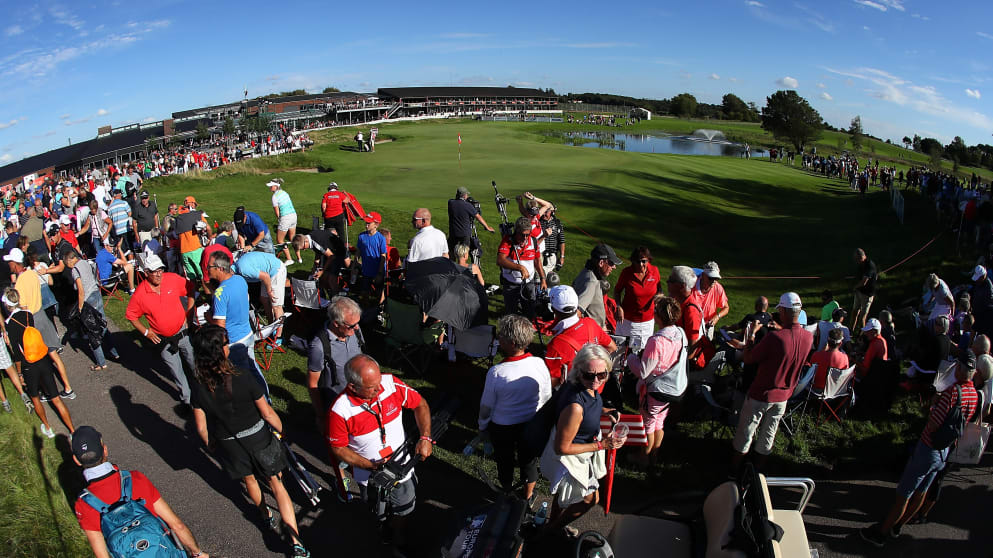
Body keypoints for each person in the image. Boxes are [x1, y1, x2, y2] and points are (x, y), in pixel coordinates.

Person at [190, 326, 309, 558]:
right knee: (277, 484)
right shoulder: (243, 377)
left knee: (250, 480)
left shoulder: (199, 386)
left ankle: (265, 514)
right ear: (218, 351)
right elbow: (267, 413)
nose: (228, 346)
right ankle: (295, 540)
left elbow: (201, 425)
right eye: (225, 343)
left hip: (230, 443)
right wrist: (282, 432)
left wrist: (210, 443)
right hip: (258, 437)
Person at [860, 350, 979, 547]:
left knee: (904, 492)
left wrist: (933, 406)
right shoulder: (973, 394)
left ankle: (881, 534)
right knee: (922, 491)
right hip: (944, 451)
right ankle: (898, 526)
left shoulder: (951, 393)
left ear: (959, 369)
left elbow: (934, 423)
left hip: (929, 447)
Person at [326, 354, 433, 549]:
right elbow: (338, 448)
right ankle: (384, 527)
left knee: (405, 505)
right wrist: (371, 466)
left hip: (402, 468)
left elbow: (420, 404)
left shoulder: (390, 383)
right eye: (372, 387)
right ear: (352, 387)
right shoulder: (340, 410)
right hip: (369, 476)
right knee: (378, 511)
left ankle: (398, 534)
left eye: (378, 381)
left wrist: (425, 437)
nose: (379, 389)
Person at [72, 426, 210, 558]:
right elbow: (177, 525)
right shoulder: (134, 478)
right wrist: (197, 553)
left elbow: (102, 555)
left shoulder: (84, 504)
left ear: (76, 460)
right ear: (105, 450)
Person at [540, 344, 625, 537]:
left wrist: (605, 412)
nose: (596, 381)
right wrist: (602, 445)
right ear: (579, 371)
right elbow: (562, 447)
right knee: (590, 499)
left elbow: (590, 406)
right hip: (571, 457)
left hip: (578, 449)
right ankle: (552, 531)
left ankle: (552, 525)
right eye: (589, 375)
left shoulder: (581, 386)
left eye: (602, 375)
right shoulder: (575, 407)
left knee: (564, 497)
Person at [731, 292, 813, 472]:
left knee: (745, 434)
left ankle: (735, 472)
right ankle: (758, 473)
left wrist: (752, 335)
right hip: (784, 396)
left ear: (783, 311)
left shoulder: (774, 338)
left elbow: (749, 358)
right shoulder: (808, 337)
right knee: (768, 436)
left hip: (761, 393)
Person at [479, 315, 552, 500]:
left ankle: (507, 492)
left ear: (511, 343)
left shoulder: (497, 372)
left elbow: (487, 406)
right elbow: (546, 395)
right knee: (528, 461)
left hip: (503, 426)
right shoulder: (539, 363)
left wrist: (482, 425)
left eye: (501, 336)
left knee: (505, 460)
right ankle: (527, 496)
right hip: (530, 423)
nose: (498, 339)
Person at [125, 254, 195, 410]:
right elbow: (131, 315)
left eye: (160, 269)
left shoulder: (171, 279)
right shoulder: (140, 294)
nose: (158, 274)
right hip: (164, 342)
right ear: (145, 272)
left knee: (194, 364)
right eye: (154, 271)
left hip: (183, 333)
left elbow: (191, 289)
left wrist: (189, 313)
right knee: (177, 372)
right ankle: (188, 401)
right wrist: (145, 333)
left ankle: (206, 393)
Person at [4, 288, 75, 438]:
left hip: (29, 364)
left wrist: (19, 373)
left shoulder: (10, 323)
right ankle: (72, 431)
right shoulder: (28, 314)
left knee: (36, 397)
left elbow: (17, 353)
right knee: (56, 398)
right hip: (43, 358)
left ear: (7, 305)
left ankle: (48, 428)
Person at [626, 295, 686, 469]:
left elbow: (643, 371)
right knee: (660, 421)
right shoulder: (680, 333)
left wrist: (631, 358)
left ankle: (643, 456)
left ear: (659, 316)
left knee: (649, 423)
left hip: (656, 388)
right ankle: (654, 454)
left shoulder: (657, 341)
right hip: (672, 386)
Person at [207, 251, 267, 394]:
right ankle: (266, 398)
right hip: (247, 334)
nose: (207, 269)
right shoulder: (240, 280)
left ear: (220, 269)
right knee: (254, 371)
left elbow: (219, 328)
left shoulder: (220, 293)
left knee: (240, 379)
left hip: (233, 342)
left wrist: (208, 317)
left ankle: (254, 406)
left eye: (209, 266)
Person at [543, 285, 616, 388]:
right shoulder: (590, 323)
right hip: (596, 392)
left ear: (553, 310)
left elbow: (550, 383)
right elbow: (612, 347)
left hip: (571, 398)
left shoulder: (556, 345)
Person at [64, 250, 121, 371]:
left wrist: (80, 308)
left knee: (92, 331)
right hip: (96, 293)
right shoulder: (85, 262)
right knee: (103, 325)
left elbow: (80, 289)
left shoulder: (75, 270)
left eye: (67, 264)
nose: (68, 267)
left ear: (70, 260)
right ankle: (115, 353)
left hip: (88, 300)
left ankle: (101, 362)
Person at [613, 246, 662, 351]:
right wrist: (618, 306)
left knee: (642, 352)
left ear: (649, 260)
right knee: (622, 350)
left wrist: (659, 296)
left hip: (647, 322)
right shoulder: (627, 273)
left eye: (644, 261)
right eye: (637, 261)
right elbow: (617, 291)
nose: (640, 264)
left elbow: (659, 289)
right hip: (627, 321)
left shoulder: (655, 271)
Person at [233, 250, 288, 342]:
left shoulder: (243, 269)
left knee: (276, 305)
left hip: (276, 270)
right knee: (264, 299)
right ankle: (271, 327)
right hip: (266, 272)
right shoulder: (236, 268)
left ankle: (278, 337)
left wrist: (269, 291)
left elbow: (265, 276)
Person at [497, 216, 545, 318]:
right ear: (516, 232)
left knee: (530, 312)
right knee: (511, 314)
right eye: (522, 235)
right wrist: (520, 267)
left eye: (527, 235)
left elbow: (537, 261)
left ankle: (527, 332)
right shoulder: (508, 241)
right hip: (511, 284)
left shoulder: (533, 242)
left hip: (528, 283)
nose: (525, 238)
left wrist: (543, 278)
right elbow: (500, 260)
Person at [667, 265, 710, 370]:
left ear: (682, 286)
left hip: (688, 365)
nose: (667, 282)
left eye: (671, 280)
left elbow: (693, 346)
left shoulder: (691, 310)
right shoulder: (678, 301)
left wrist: (678, 368)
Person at [573, 244, 623, 329]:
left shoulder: (587, 273)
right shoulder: (591, 281)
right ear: (601, 263)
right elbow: (577, 312)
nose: (614, 267)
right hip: (592, 335)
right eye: (611, 263)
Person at [291, 228, 349, 295]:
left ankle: (338, 296)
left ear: (306, 241)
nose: (304, 250)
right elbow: (318, 250)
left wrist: (323, 271)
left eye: (303, 248)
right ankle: (329, 290)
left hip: (338, 251)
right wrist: (316, 262)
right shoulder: (309, 238)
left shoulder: (316, 242)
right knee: (324, 276)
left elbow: (331, 256)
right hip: (330, 250)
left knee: (331, 279)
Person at [447, 186, 494, 255]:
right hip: (465, 234)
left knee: (451, 253)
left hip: (453, 233)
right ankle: (462, 265)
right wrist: (487, 227)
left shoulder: (451, 203)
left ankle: (452, 265)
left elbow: (454, 201)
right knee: (464, 254)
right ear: (464, 195)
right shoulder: (468, 205)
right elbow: (478, 217)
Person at [694, 261, 729, 339]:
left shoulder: (718, 288)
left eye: (716, 278)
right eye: (711, 278)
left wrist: (717, 317)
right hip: (691, 324)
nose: (713, 281)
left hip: (708, 325)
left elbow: (726, 308)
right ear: (703, 275)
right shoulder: (692, 286)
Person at [355, 211, 387, 297]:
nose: (366, 225)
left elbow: (383, 256)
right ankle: (366, 306)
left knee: (379, 292)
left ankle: (381, 307)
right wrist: (355, 263)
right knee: (365, 292)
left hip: (378, 270)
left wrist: (380, 273)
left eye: (369, 223)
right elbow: (358, 251)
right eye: (366, 223)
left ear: (376, 225)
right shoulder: (361, 236)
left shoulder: (381, 238)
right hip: (366, 270)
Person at [268, 178, 297, 263]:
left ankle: (289, 259)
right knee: (292, 238)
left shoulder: (274, 197)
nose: (270, 188)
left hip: (285, 218)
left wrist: (279, 220)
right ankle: (298, 257)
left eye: (271, 186)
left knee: (280, 240)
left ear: (276, 186)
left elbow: (277, 212)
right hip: (294, 216)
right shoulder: (285, 193)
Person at [852, 248, 878, 333]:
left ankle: (863, 335)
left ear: (862, 257)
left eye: (857, 259)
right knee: (854, 312)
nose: (856, 261)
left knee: (862, 317)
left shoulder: (870, 266)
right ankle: (851, 331)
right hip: (859, 292)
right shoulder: (861, 264)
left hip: (867, 295)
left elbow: (864, 282)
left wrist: (855, 287)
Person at [970, 265, 993, 336]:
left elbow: (987, 303)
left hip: (983, 314)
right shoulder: (978, 283)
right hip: (976, 311)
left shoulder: (988, 287)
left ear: (983, 276)